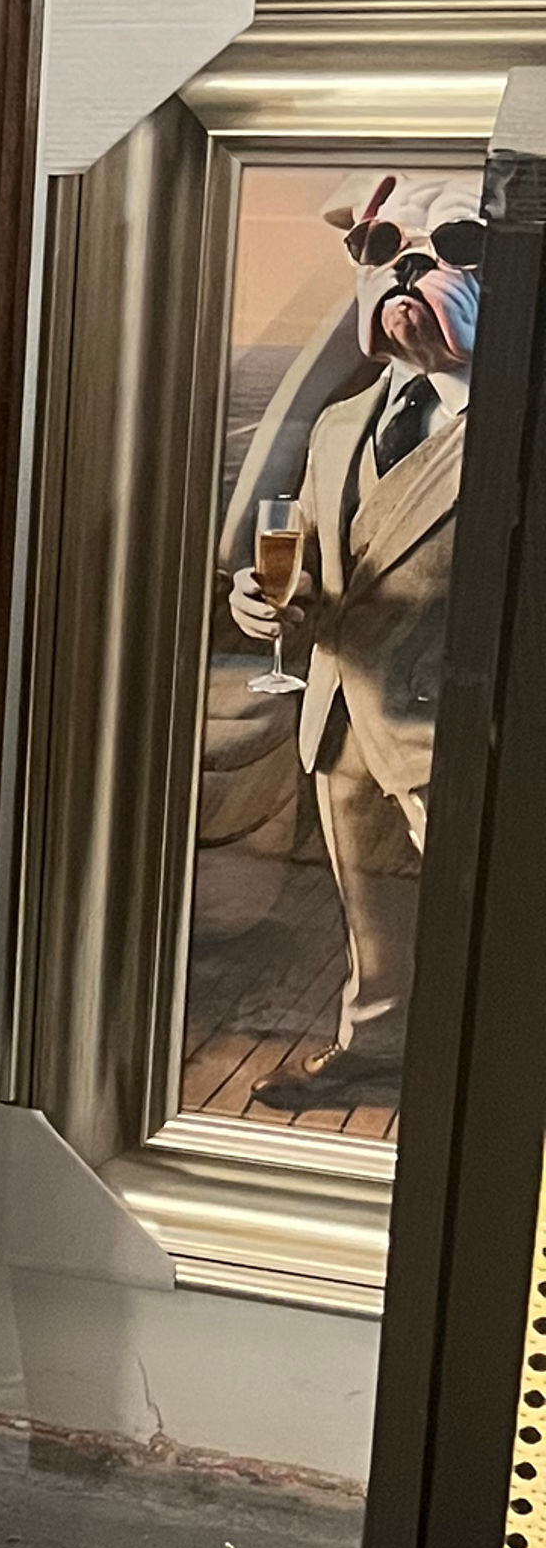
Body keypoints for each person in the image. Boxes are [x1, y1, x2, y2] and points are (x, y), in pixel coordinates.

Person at [227, 170, 480, 1113]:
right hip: (343, 713)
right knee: (373, 910)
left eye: (459, 250)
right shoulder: (341, 421)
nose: (410, 272)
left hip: (455, 730)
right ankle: (375, 1051)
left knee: (485, 928)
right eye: (383, 251)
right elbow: (326, 568)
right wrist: (269, 606)